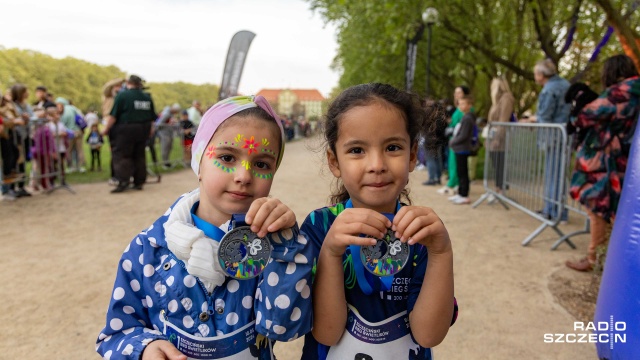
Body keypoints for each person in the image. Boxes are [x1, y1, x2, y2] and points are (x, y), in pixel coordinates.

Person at [96, 95, 314, 359]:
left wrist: (287, 248)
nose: (244, 175)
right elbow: (116, 334)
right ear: (199, 162)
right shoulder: (147, 249)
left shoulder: (272, 246)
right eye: (227, 157)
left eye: (261, 164)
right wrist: (145, 348)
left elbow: (284, 327)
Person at [301, 83, 457, 359]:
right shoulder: (318, 227)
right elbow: (326, 332)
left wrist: (441, 252)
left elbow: (429, 335)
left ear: (411, 156)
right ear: (334, 162)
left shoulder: (422, 233)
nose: (376, 164)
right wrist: (331, 251)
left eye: (392, 147)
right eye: (357, 150)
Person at [565, 54, 640, 272]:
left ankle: (596, 259)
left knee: (598, 207)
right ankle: (610, 261)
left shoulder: (620, 93)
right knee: (617, 210)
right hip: (627, 160)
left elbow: (583, 117)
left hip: (606, 162)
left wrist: (579, 104)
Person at [522, 59, 571, 222]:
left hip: (554, 137)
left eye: (536, 73)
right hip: (564, 135)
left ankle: (552, 211)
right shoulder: (565, 84)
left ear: (541, 75)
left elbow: (545, 115)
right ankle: (557, 210)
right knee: (559, 174)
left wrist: (532, 119)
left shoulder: (549, 89)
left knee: (553, 174)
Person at [102, 75, 157, 193]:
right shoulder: (147, 97)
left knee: (122, 155)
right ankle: (139, 181)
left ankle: (123, 180)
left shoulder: (123, 95)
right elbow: (152, 117)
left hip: (125, 129)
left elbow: (113, 115)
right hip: (143, 128)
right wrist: (151, 130)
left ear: (128, 83)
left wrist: (106, 129)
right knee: (140, 155)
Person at [437, 85, 471, 195]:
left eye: (459, 92)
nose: (456, 95)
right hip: (454, 140)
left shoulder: (466, 110)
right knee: (453, 163)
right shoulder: (458, 108)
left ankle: (453, 185)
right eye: (455, 93)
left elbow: (463, 125)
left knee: (457, 164)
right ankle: (455, 184)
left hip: (459, 141)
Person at [486, 77, 515, 201]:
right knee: (496, 164)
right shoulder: (497, 101)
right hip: (493, 137)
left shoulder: (506, 98)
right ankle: (497, 189)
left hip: (501, 139)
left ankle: (500, 191)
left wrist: (497, 138)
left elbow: (503, 120)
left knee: (500, 164)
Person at [448, 95, 476, 205]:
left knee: (463, 172)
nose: (461, 106)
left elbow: (463, 135)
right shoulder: (465, 117)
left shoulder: (468, 118)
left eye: (463, 103)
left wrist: (452, 142)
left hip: (462, 148)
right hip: (459, 148)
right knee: (460, 172)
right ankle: (460, 193)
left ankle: (464, 195)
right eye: (459, 103)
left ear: (469, 105)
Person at [102, 78, 126, 185]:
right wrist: (120, 80)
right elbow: (107, 87)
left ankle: (121, 175)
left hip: (120, 128)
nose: (119, 88)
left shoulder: (120, 98)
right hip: (113, 127)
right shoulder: (109, 98)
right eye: (117, 86)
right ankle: (115, 176)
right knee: (115, 153)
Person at [156, 103, 181, 169]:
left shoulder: (171, 114)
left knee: (169, 147)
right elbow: (159, 124)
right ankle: (165, 163)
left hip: (169, 133)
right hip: (164, 134)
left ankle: (167, 162)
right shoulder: (166, 114)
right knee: (165, 147)